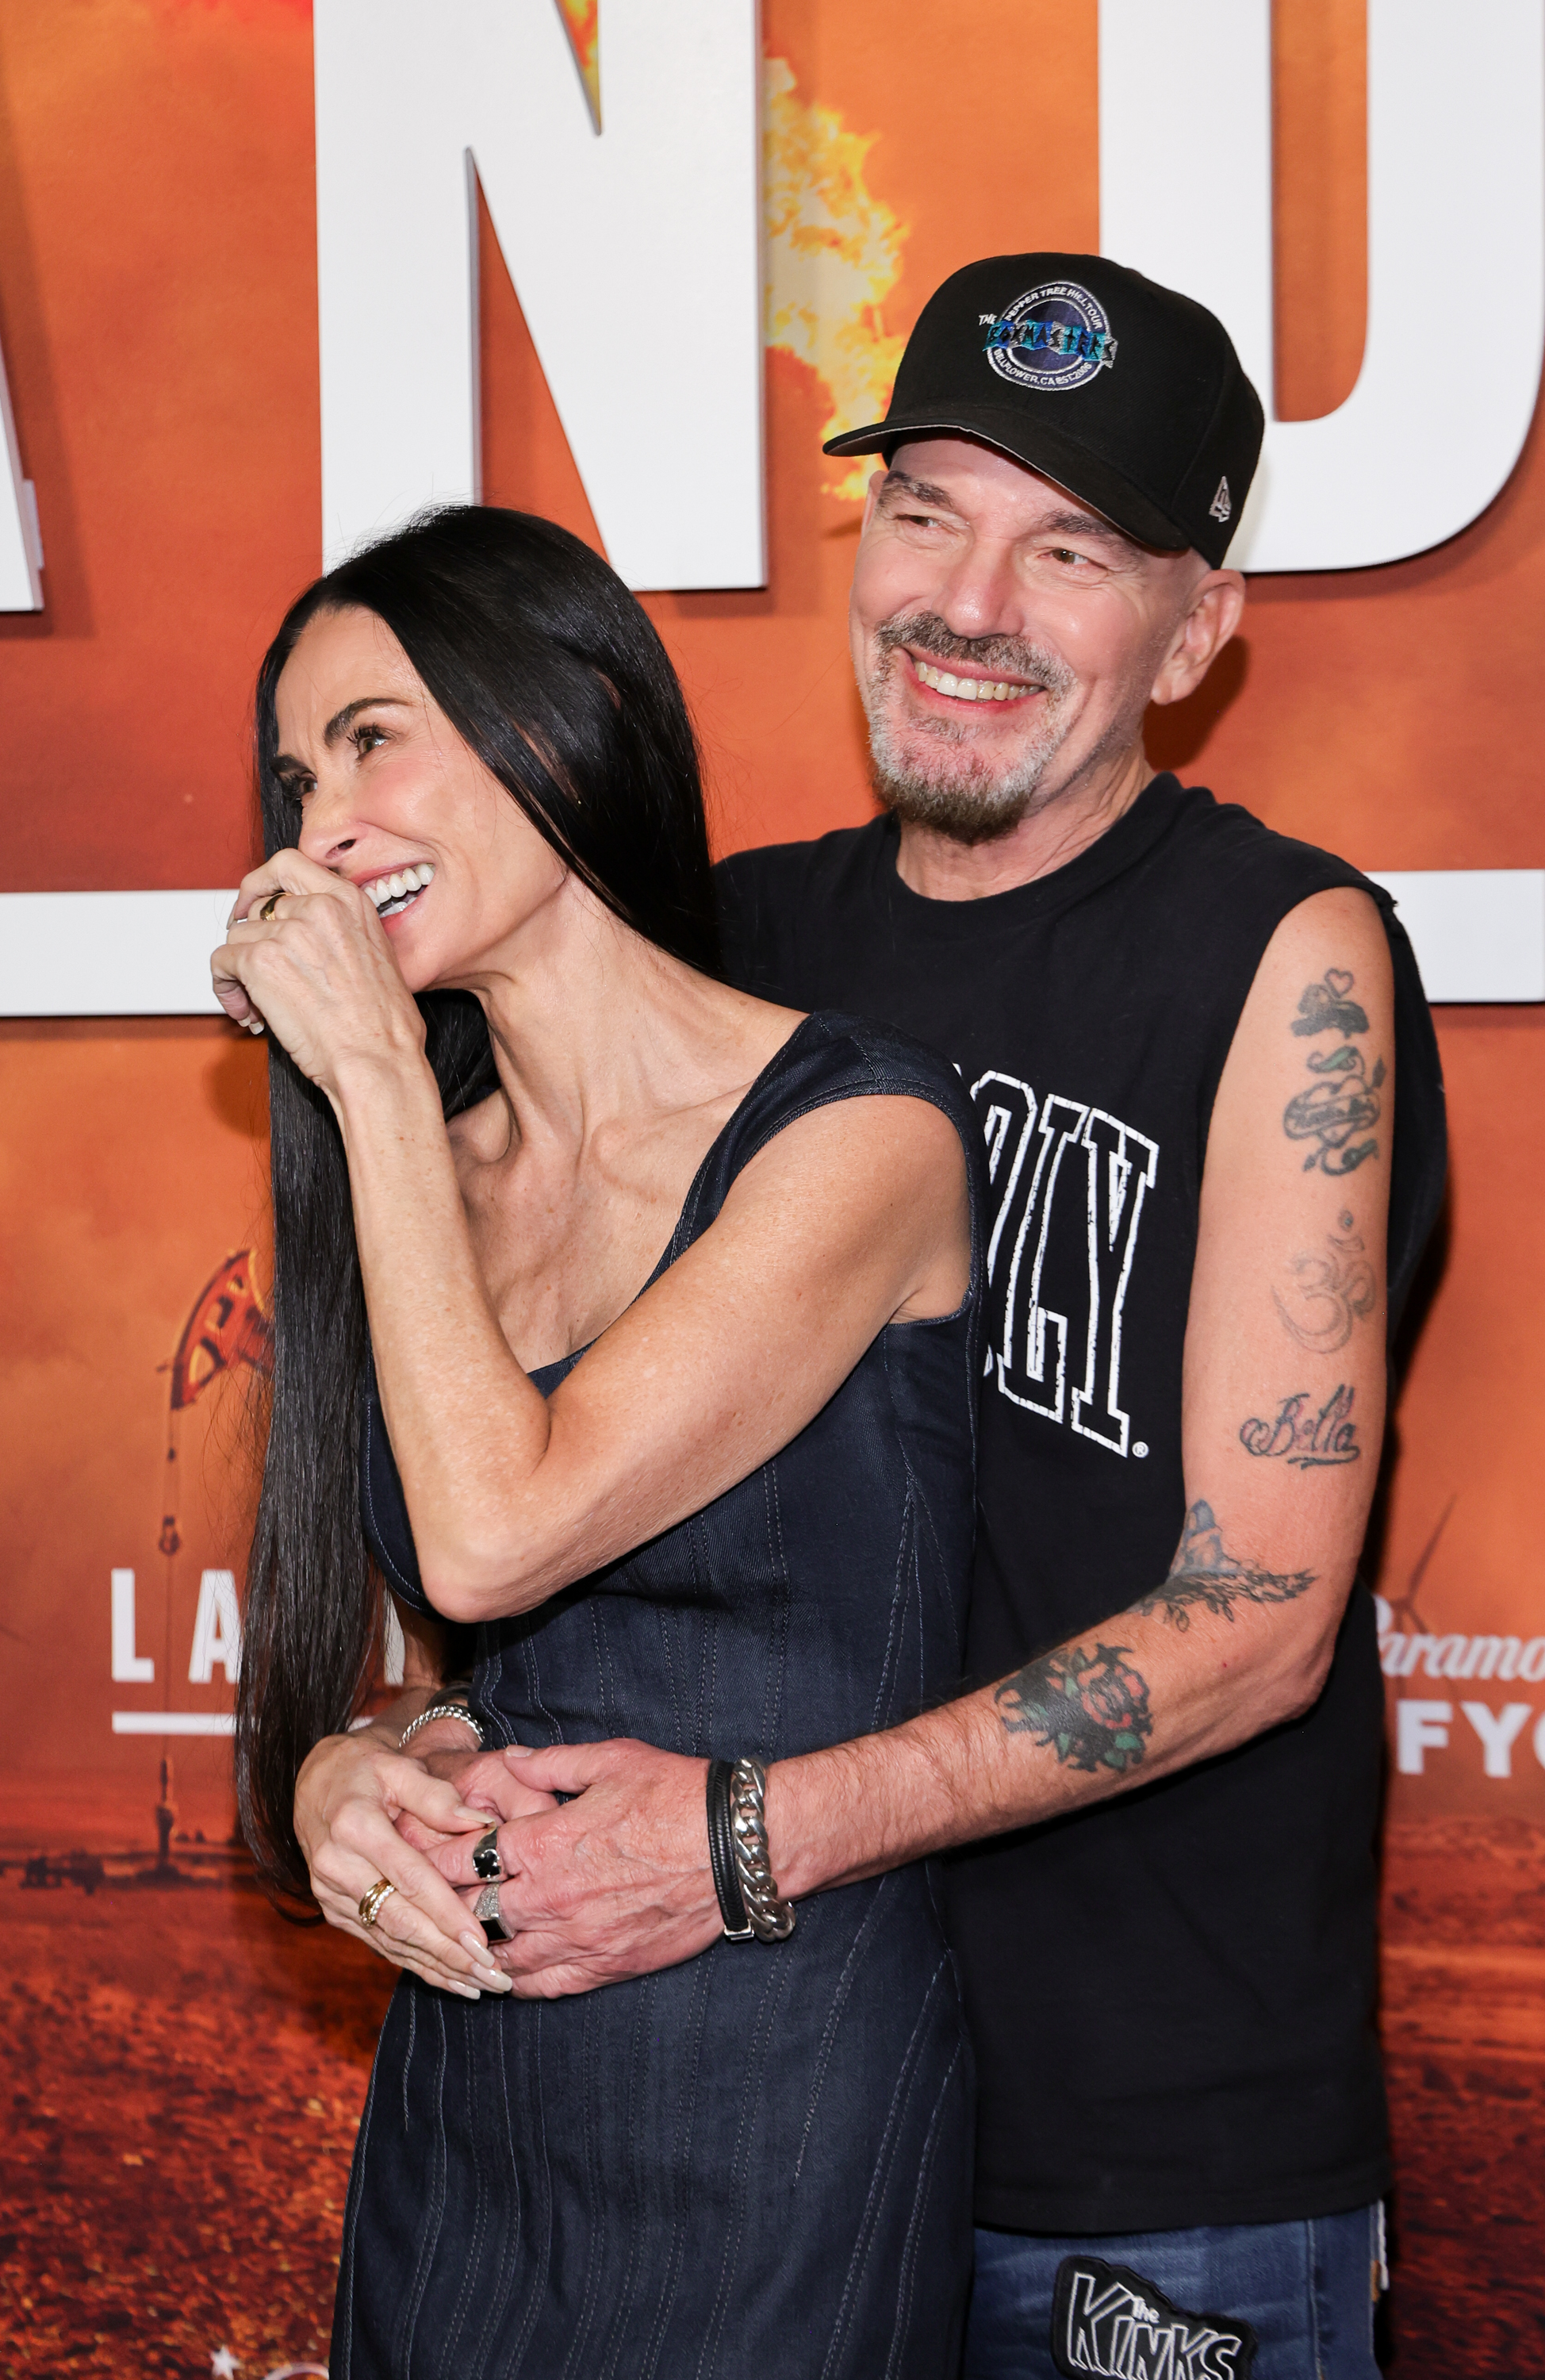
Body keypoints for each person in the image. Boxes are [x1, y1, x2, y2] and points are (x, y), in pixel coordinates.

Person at [302, 259, 1447, 2378]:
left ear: (1197, 631)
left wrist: (742, 1840)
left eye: (1069, 551)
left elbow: (1258, 1619)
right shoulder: (732, 952)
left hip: (1140, 2154)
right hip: (745, 2126)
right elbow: (531, 1529)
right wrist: (372, 1760)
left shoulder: (1284, 959)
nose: (967, 604)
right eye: (926, 512)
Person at [215, 505, 990, 2377]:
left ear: (562, 722)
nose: (323, 830)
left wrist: (372, 1079)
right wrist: (341, 1773)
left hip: (772, 2087)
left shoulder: (858, 1136)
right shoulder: (424, 1172)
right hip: (472, 2088)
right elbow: (430, 1650)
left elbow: (500, 1530)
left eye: (373, 739)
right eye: (297, 780)